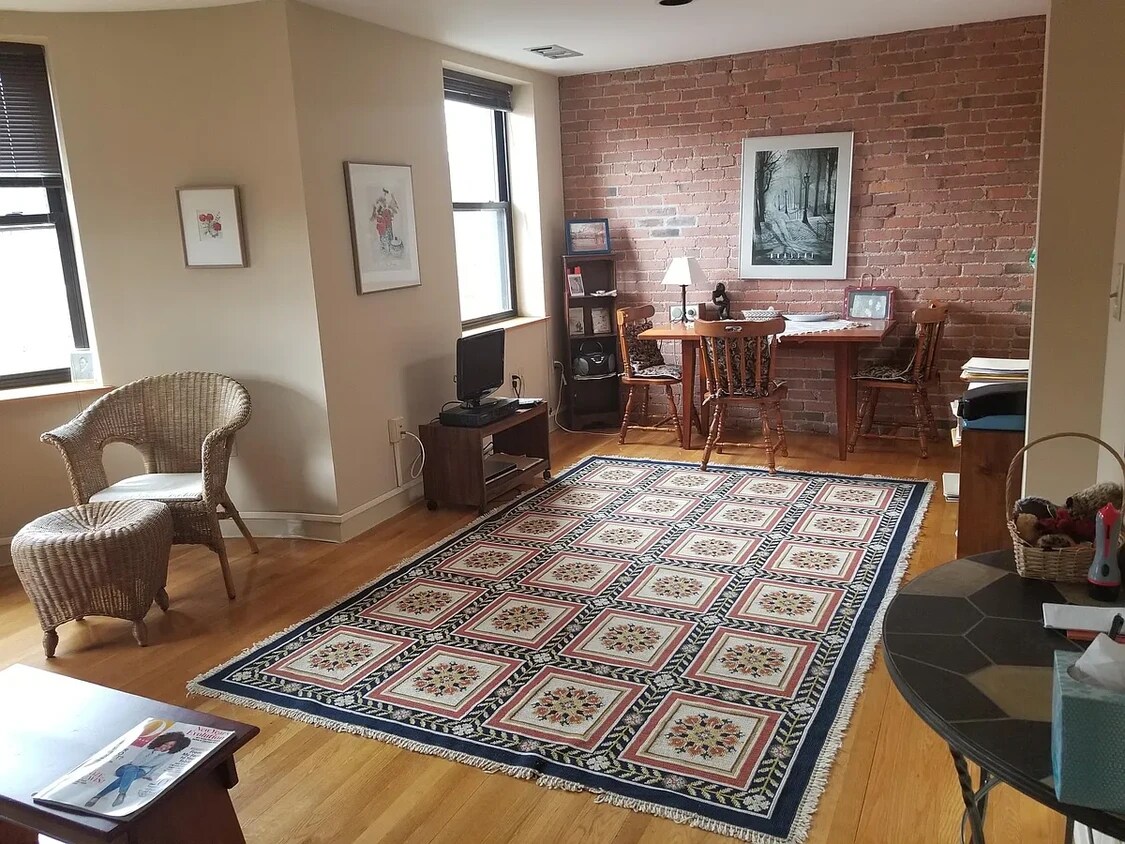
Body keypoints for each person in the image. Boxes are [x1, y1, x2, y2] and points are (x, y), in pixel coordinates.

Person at [85, 731, 191, 809]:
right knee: (131, 770)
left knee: (129, 774)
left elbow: (155, 765)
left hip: (142, 771)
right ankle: (121, 794)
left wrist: (149, 774)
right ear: (162, 741)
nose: (167, 746)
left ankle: (98, 796)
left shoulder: (168, 755)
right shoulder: (149, 749)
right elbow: (137, 763)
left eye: (170, 745)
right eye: (166, 743)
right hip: (128, 767)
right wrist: (154, 752)